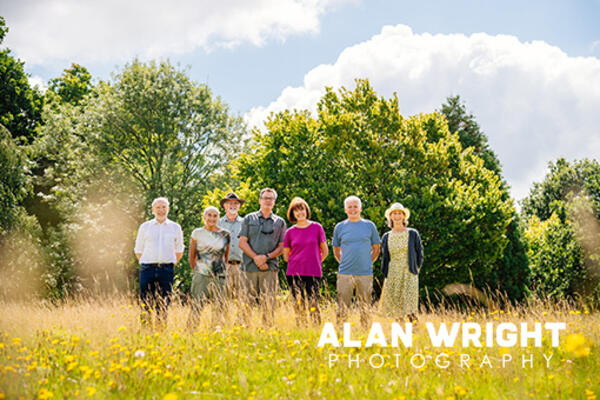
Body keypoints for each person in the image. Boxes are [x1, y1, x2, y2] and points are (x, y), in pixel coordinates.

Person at [238, 188, 286, 324]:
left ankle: (267, 332)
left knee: (269, 305)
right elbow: (242, 242)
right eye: (265, 198)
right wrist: (257, 258)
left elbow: (282, 246)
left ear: (274, 202)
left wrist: (266, 257)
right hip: (249, 268)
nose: (268, 201)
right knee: (245, 304)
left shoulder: (280, 222)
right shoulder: (249, 218)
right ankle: (243, 331)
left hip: (270, 269)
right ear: (260, 200)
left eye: (271, 199)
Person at [134, 197, 184, 328]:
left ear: (168, 209)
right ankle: (145, 329)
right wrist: (149, 263)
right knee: (145, 301)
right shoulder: (145, 227)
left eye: (164, 207)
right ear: (153, 210)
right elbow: (138, 250)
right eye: (158, 207)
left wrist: (170, 264)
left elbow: (179, 250)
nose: (161, 210)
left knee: (164, 302)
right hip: (147, 268)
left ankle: (161, 329)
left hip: (166, 269)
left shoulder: (175, 227)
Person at [332, 195, 380, 326]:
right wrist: (343, 262)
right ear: (345, 209)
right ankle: (341, 331)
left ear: (360, 208)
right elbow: (336, 249)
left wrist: (368, 262)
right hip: (345, 273)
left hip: (365, 273)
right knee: (343, 306)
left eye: (355, 206)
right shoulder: (339, 227)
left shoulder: (369, 226)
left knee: (365, 306)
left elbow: (376, 248)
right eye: (349, 207)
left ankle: (365, 331)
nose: (353, 209)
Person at [283, 197, 328, 325]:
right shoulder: (289, 232)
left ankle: (315, 327)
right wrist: (298, 262)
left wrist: (315, 262)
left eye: (301, 209)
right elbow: (286, 256)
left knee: (313, 302)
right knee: (298, 302)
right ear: (292, 214)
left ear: (306, 210)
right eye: (296, 211)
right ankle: (301, 327)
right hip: (294, 272)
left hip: (313, 271)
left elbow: (325, 252)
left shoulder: (317, 227)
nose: (299, 213)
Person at [380, 203, 424, 322]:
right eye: (394, 213)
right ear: (390, 217)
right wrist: (385, 273)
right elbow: (384, 256)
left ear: (404, 216)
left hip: (409, 271)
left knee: (410, 303)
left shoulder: (412, 233)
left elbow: (420, 253)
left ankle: (414, 330)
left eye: (400, 213)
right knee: (395, 303)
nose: (397, 216)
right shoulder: (386, 236)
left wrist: (417, 269)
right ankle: (399, 330)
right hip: (393, 272)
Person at [188, 206, 231, 327]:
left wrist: (220, 271)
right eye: (209, 215)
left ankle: (216, 333)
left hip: (220, 276)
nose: (212, 218)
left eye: (215, 215)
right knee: (196, 306)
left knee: (219, 307)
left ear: (218, 217)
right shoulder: (197, 233)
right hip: (201, 275)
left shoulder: (225, 234)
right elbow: (192, 257)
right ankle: (191, 332)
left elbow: (225, 257)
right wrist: (198, 271)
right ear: (204, 217)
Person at [217, 192, 245, 299]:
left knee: (243, 300)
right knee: (223, 299)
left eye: (235, 203)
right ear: (224, 206)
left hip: (242, 266)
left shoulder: (245, 223)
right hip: (224, 267)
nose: (233, 205)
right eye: (229, 203)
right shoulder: (218, 224)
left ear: (239, 206)